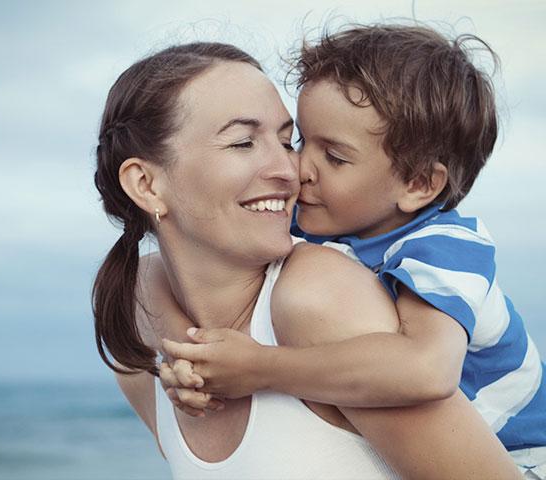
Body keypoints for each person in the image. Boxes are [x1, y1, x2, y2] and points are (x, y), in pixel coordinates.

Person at [93, 41, 521, 479]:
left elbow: (427, 369)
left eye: (284, 141)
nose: (292, 169)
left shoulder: (322, 291)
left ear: (419, 184)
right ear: (145, 184)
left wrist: (258, 368)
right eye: (244, 143)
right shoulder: (139, 315)